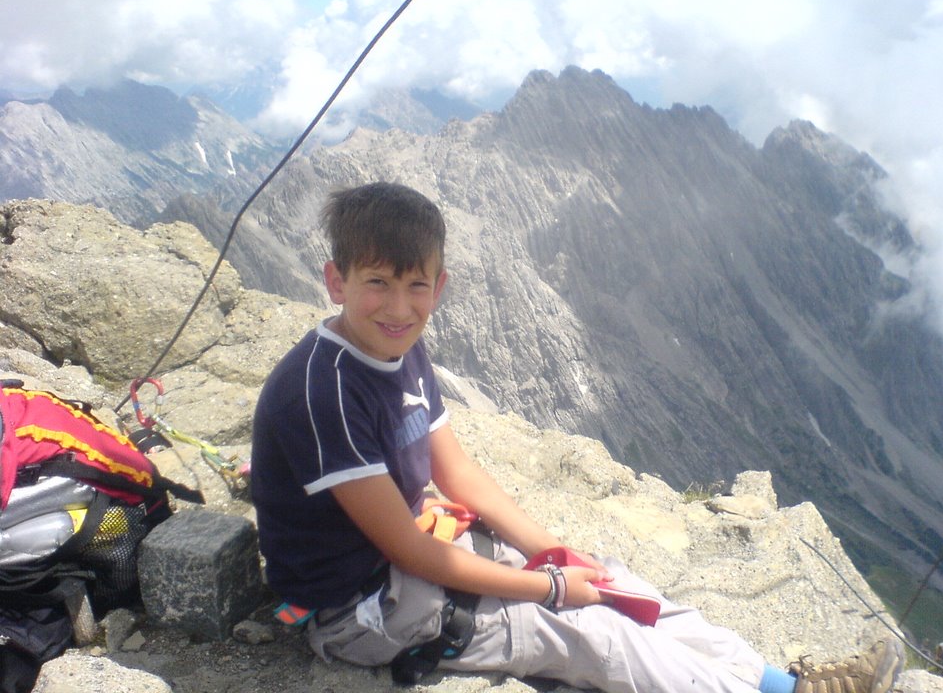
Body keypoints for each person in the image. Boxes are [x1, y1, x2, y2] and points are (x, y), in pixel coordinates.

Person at [250, 181, 905, 693]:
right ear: (336, 281)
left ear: (438, 286)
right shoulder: (323, 391)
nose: (398, 306)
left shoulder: (399, 349)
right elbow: (412, 554)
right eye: (376, 284)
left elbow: (460, 475)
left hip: (406, 563)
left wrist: (555, 554)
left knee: (613, 581)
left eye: (415, 285)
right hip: (358, 610)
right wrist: (553, 589)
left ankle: (785, 685)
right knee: (588, 630)